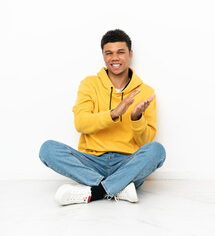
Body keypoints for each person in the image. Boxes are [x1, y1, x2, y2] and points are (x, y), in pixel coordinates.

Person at [39, 29, 166, 206]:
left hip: (126, 164)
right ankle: (118, 188)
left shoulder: (145, 92)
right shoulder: (90, 84)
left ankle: (96, 191)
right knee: (48, 149)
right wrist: (113, 114)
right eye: (109, 53)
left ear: (130, 54)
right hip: (91, 163)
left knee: (157, 151)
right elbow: (80, 123)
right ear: (103, 56)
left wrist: (137, 118)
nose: (115, 58)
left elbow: (146, 140)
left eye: (120, 52)